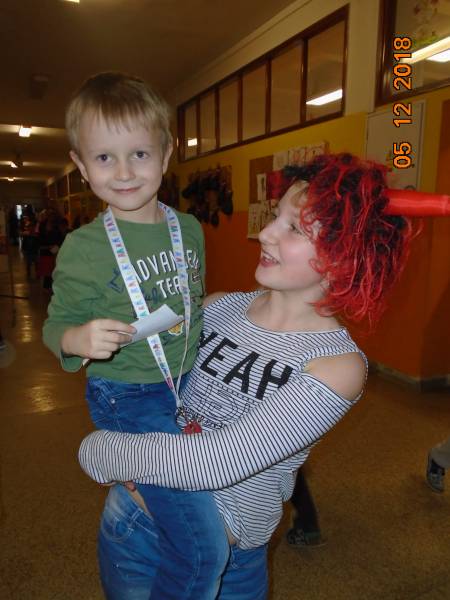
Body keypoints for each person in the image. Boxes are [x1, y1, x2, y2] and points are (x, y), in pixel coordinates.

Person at [79, 152, 415, 599]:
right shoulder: (217, 306)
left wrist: (102, 449)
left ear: (343, 259)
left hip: (234, 560)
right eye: (276, 217)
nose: (267, 233)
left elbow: (218, 460)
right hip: (139, 529)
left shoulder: (337, 365)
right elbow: (134, 375)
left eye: (295, 229)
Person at [43, 72, 229, 600]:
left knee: (209, 504)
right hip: (128, 395)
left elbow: (191, 299)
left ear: (166, 154)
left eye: (139, 154)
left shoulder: (188, 228)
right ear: (81, 165)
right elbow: (54, 326)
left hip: (189, 382)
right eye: (104, 158)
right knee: (204, 548)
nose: (124, 172)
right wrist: (77, 339)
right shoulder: (83, 247)